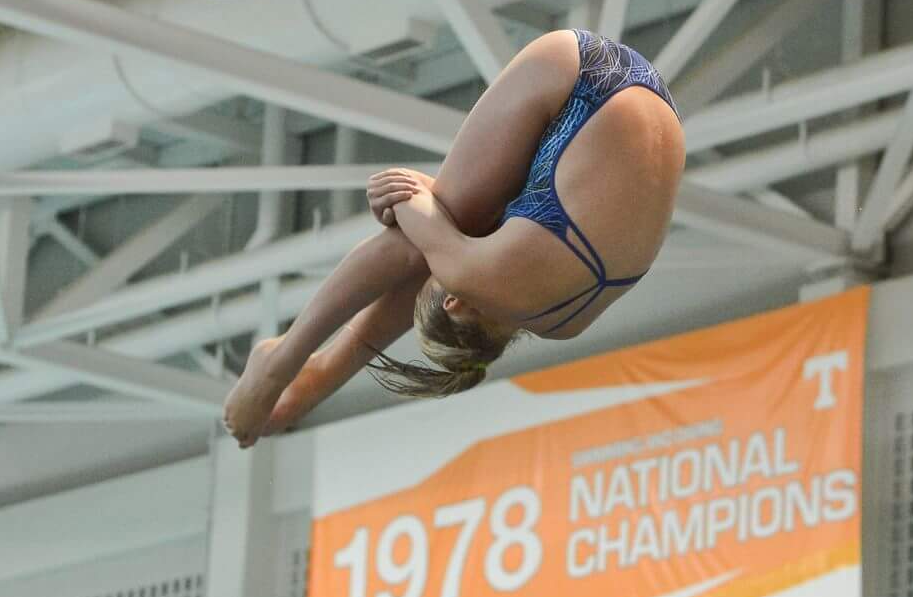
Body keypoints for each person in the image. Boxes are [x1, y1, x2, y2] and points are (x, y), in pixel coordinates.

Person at [221, 29, 685, 446]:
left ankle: (316, 378)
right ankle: (287, 362)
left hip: (655, 106)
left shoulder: (564, 325)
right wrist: (407, 199)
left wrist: (432, 217)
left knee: (457, 221)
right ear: (455, 304)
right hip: (578, 78)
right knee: (430, 232)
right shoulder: (482, 277)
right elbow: (410, 215)